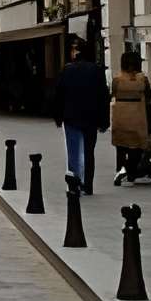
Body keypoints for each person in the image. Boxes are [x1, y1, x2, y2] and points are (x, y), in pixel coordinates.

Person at [54, 36, 110, 196]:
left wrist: (58, 116)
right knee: (88, 151)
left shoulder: (67, 70)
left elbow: (59, 95)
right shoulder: (96, 70)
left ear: (76, 53)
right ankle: (88, 184)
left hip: (71, 117)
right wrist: (104, 120)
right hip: (91, 118)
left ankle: (75, 181)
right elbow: (103, 96)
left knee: (73, 150)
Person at [109, 47, 151, 186]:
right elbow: (149, 96)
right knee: (137, 145)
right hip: (138, 115)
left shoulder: (117, 80)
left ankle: (120, 169)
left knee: (121, 145)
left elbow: (113, 93)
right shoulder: (143, 79)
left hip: (120, 115)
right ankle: (133, 170)